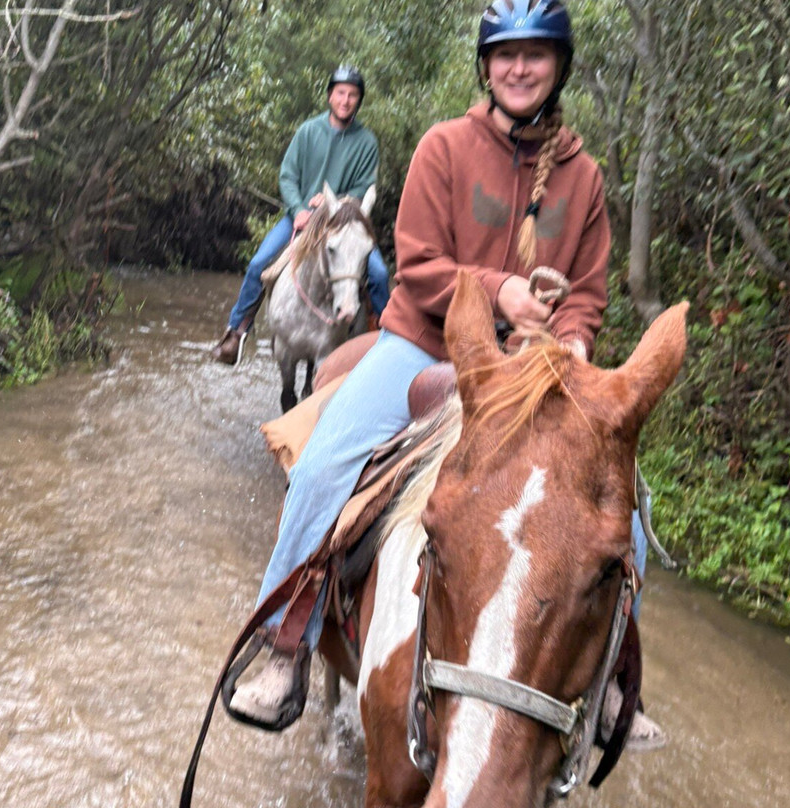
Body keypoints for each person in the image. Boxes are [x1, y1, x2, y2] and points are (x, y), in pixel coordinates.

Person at [227, 0, 665, 750]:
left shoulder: (584, 179)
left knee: (627, 510)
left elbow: (588, 289)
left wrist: (575, 338)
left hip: (529, 367)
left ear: (557, 65)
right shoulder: (443, 147)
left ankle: (613, 680)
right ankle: (284, 638)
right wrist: (501, 291)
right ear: (487, 67)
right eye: (505, 55)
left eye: (534, 55)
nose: (519, 68)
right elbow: (420, 263)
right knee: (325, 466)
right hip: (421, 345)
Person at [210, 65, 390, 365]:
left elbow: (363, 187)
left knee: (380, 274)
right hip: (303, 217)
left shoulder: (367, 142)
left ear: (359, 100)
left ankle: (386, 339)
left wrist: (338, 200)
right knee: (257, 264)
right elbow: (287, 176)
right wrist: (299, 209)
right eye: (341, 93)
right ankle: (236, 333)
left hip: (343, 223)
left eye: (353, 95)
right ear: (330, 96)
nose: (346, 100)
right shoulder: (308, 131)